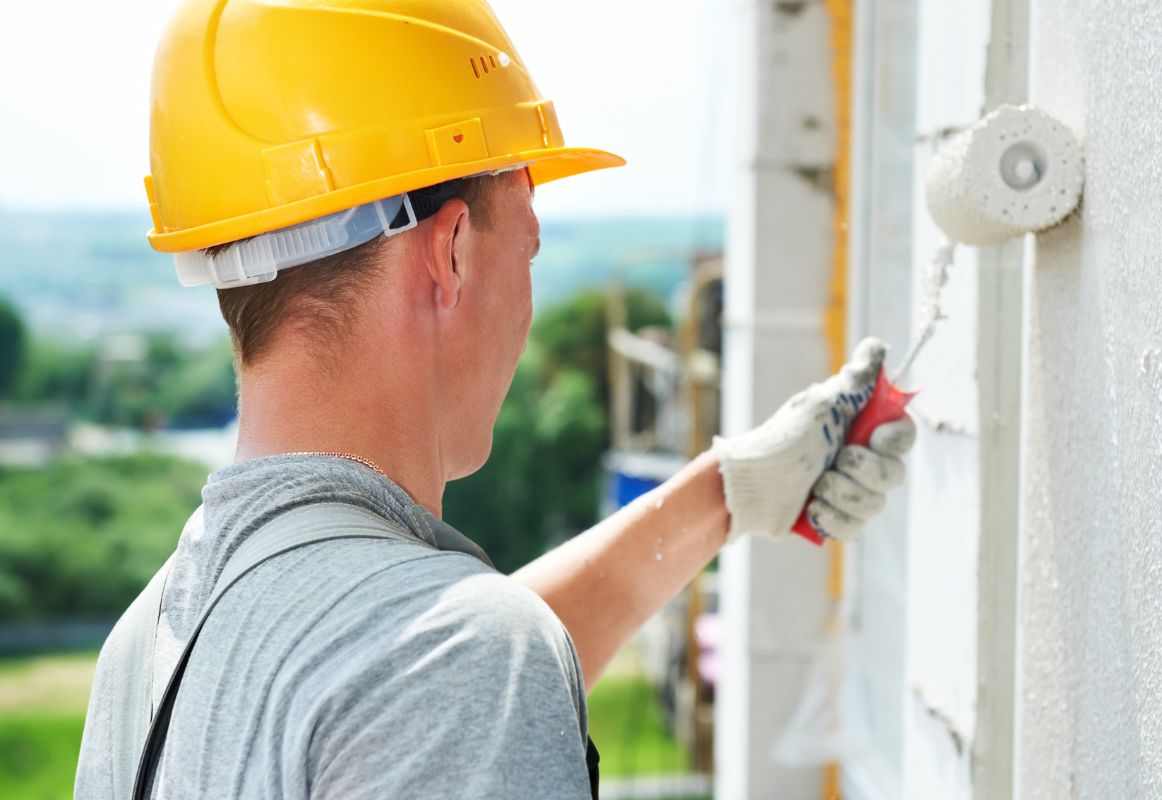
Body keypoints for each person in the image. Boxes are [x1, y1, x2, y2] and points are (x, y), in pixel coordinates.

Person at [75, 1, 915, 797]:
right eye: (530, 246)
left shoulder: (146, 652)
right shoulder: (458, 663)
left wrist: (727, 495)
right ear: (448, 254)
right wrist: (501, 660)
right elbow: (443, 680)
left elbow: (406, 690)